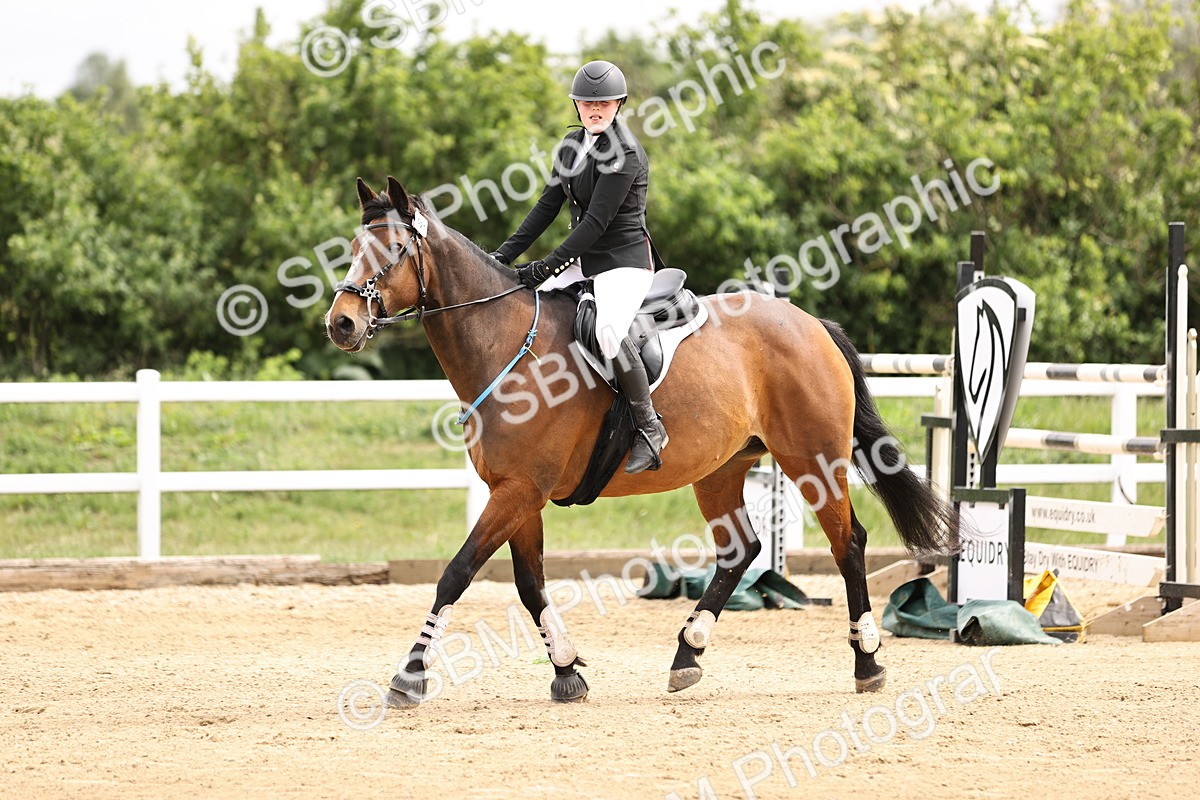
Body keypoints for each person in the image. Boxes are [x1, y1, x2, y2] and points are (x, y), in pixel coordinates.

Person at [490, 60, 669, 474]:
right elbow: (546, 207)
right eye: (588, 103)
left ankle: (649, 426)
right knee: (523, 303)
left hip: (622, 262)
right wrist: (502, 257)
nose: (595, 109)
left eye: (604, 103)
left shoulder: (624, 152)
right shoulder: (572, 145)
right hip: (584, 260)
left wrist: (547, 265)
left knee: (608, 331)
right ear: (577, 105)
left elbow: (595, 224)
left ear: (619, 104)